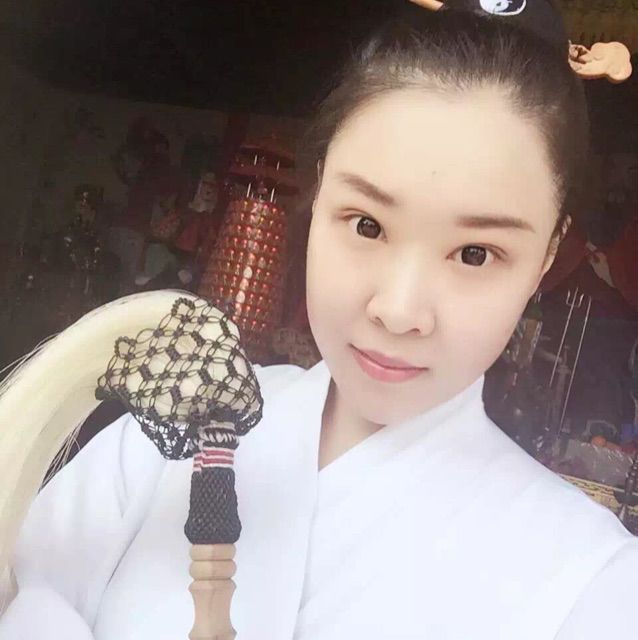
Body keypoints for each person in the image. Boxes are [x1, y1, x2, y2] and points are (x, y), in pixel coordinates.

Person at [1, 3, 637, 639]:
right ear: (319, 188)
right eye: (367, 224)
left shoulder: (590, 583)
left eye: (475, 254)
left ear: (547, 255)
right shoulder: (169, 430)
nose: (398, 311)